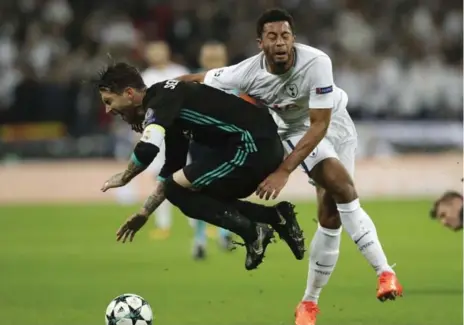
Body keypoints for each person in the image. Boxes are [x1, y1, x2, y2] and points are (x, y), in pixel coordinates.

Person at [177, 8, 403, 325]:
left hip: (334, 125)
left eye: (286, 35)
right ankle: (385, 274)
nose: (281, 42)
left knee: (331, 216)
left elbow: (320, 124)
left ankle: (308, 303)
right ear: (260, 43)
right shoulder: (245, 73)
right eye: (272, 36)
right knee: (342, 189)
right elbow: (198, 80)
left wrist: (283, 171)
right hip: (297, 132)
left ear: (293, 38)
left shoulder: (317, 62)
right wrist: (156, 93)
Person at [95, 62, 305, 271]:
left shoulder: (161, 99)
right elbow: (172, 168)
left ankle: (254, 231)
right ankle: (274, 217)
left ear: (129, 93)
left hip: (253, 146)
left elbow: (147, 149)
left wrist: (125, 177)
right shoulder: (171, 107)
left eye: (109, 101)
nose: (108, 109)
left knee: (180, 191)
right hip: (253, 147)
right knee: (182, 190)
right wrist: (144, 212)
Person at [189, 41, 234, 259]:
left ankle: (202, 238)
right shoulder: (233, 81)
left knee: (201, 190)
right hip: (220, 143)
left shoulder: (194, 82)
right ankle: (220, 233)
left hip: (203, 142)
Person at [141, 41, 190, 240]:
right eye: (153, 51)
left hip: (184, 132)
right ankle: (163, 225)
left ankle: (200, 224)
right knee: (160, 179)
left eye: (160, 50)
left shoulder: (180, 71)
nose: (157, 54)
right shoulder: (145, 77)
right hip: (158, 134)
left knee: (190, 177)